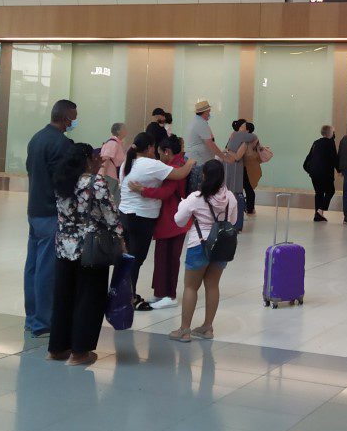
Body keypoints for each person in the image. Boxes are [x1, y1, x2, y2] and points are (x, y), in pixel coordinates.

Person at [47, 144, 123, 366]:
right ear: (87, 160)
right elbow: (111, 216)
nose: (99, 160)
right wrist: (120, 240)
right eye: (96, 157)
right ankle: (79, 353)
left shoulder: (61, 180)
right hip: (91, 250)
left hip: (64, 247)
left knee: (64, 297)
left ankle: (57, 348)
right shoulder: (95, 183)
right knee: (88, 299)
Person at [119, 132, 196, 311]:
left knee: (157, 258)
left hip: (140, 216)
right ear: (150, 148)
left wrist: (143, 190)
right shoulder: (154, 165)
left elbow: (168, 190)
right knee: (141, 258)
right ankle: (133, 295)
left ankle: (161, 294)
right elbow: (178, 176)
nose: (159, 155)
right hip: (145, 218)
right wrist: (191, 162)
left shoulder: (127, 163)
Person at [24, 99, 77, 337]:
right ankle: (43, 323)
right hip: (51, 212)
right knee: (47, 269)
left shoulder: (36, 138)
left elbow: (30, 170)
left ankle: (32, 317)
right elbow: (64, 181)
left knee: (33, 267)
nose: (74, 122)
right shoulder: (61, 144)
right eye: (73, 118)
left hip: (34, 209)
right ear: (66, 118)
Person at [169, 159, 237, 342]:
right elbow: (232, 220)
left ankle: (184, 330)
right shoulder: (230, 197)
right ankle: (207, 328)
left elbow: (179, 220)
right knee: (213, 285)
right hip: (221, 246)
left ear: (204, 176)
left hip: (198, 244)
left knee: (191, 287)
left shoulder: (196, 198)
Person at [303, 125, 337, 222]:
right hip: (325, 174)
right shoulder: (330, 143)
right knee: (330, 191)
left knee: (319, 193)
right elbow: (334, 158)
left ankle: (317, 215)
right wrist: (340, 170)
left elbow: (309, 157)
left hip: (314, 174)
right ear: (330, 133)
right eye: (333, 132)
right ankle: (320, 210)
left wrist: (310, 170)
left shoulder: (316, 143)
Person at [224, 119, 256, 216]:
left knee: (238, 188)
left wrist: (228, 151)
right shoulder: (240, 138)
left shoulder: (239, 138)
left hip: (237, 167)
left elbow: (233, 153)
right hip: (239, 167)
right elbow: (236, 154)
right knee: (245, 188)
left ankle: (241, 209)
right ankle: (247, 209)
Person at [185, 100, 223, 164]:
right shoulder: (200, 123)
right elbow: (210, 143)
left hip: (197, 160)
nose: (209, 113)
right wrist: (224, 157)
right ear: (205, 112)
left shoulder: (198, 121)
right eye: (209, 111)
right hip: (197, 161)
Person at [241, 121, 263, 215]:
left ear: (247, 129)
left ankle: (248, 208)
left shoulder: (248, 138)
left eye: (243, 127)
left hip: (247, 165)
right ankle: (250, 208)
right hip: (253, 166)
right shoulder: (255, 138)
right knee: (249, 188)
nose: (241, 128)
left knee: (247, 187)